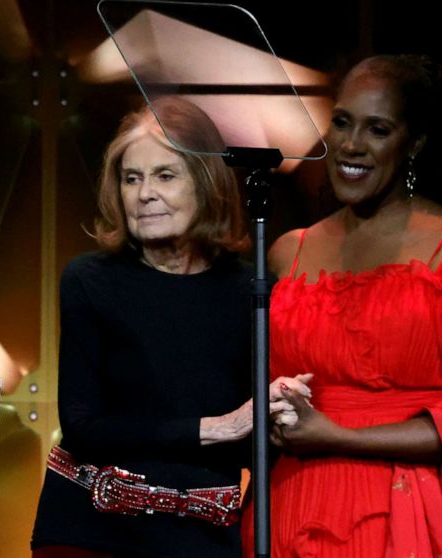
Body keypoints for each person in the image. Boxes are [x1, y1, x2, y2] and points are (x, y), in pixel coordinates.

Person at [248, 55, 442, 557]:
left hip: (408, 518)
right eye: (342, 122)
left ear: (414, 144)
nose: (350, 144)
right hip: (288, 505)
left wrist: (337, 435)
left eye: (378, 129)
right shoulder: (288, 250)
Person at [31, 97, 310, 558]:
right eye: (131, 178)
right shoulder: (89, 279)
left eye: (165, 175)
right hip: (90, 531)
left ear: (206, 184)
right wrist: (215, 428)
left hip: (201, 537)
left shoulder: (253, 290)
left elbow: (249, 442)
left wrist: (281, 412)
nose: (144, 194)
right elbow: (83, 427)